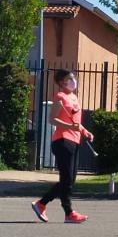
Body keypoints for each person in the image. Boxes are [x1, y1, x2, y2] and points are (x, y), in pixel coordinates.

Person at [31, 69, 93, 224]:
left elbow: (76, 123)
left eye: (73, 78)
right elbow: (52, 119)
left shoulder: (74, 97)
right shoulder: (60, 97)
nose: (73, 81)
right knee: (66, 180)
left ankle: (44, 204)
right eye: (69, 79)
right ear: (61, 83)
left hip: (74, 140)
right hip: (62, 140)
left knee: (70, 180)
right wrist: (70, 127)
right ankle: (67, 212)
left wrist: (85, 131)